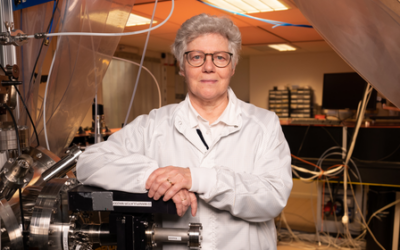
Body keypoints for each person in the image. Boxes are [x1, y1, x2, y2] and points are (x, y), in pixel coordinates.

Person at [77, 13, 292, 250]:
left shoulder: (264, 125)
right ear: (182, 66)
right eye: (196, 57)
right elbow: (88, 163)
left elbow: (272, 198)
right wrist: (155, 177)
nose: (208, 67)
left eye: (220, 57)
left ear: (232, 65)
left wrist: (195, 178)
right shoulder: (153, 125)